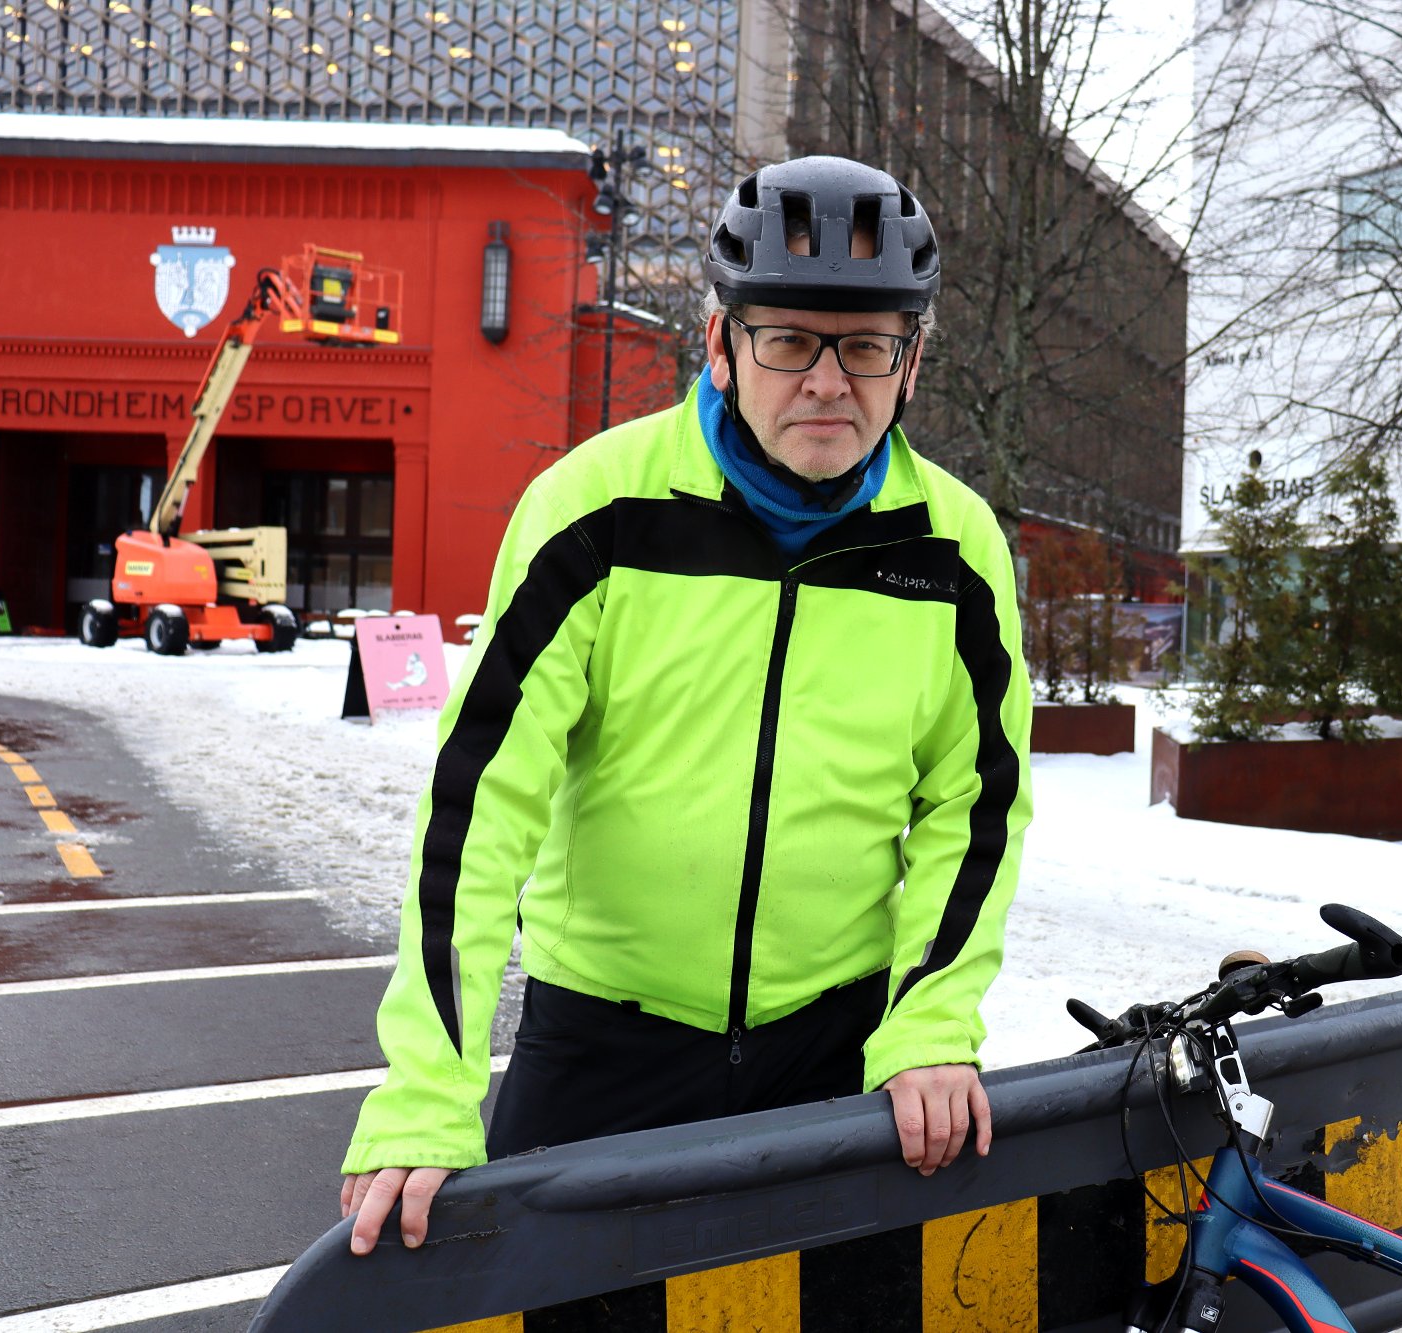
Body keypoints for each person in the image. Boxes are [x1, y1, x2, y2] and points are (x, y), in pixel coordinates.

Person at [337, 155, 1034, 1257]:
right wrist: (429, 1086)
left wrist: (929, 1022)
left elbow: (976, 808)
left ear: (911, 364)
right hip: (601, 1045)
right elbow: (480, 805)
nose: (827, 383)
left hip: (834, 1049)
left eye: (865, 347)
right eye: (788, 340)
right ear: (719, 343)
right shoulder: (593, 510)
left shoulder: (955, 550)